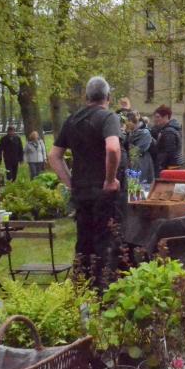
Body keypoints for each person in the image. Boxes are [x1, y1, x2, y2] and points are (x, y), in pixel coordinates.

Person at [48, 76, 123, 290]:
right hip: (103, 194)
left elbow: (54, 156)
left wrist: (71, 183)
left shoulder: (72, 120)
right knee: (105, 243)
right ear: (108, 97)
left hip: (81, 193)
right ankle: (104, 292)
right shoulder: (108, 118)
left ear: (86, 97)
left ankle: (81, 290)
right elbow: (112, 148)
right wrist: (110, 180)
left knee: (83, 243)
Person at [151, 105, 184, 176]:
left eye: (158, 117)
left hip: (171, 167)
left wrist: (160, 166)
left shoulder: (169, 132)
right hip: (174, 166)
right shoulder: (170, 129)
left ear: (166, 117)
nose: (155, 119)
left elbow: (168, 152)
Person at [125, 111, 155, 185]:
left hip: (142, 162)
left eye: (128, 122)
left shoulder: (145, 133)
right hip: (132, 162)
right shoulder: (131, 133)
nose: (126, 125)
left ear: (132, 121)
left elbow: (137, 150)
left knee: (140, 186)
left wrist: (129, 148)